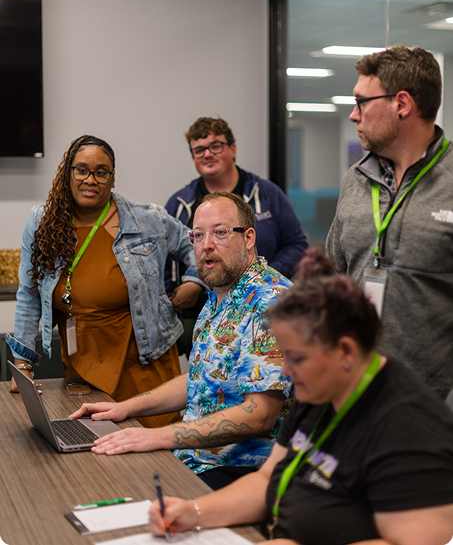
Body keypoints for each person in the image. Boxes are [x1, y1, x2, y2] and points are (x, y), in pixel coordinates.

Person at [148, 251, 453, 545]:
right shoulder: (322, 389)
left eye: (295, 358)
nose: (286, 372)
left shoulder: (409, 425)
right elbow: (268, 480)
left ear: (345, 351)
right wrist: (195, 512)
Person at [71, 192, 293, 490]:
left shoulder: (271, 300)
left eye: (221, 232)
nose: (207, 245)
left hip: (244, 471)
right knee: (96, 479)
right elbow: (200, 378)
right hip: (195, 458)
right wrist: (127, 408)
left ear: (249, 237)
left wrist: (159, 435)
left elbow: (260, 416)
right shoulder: (219, 297)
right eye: (198, 235)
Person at [6, 135, 204, 427]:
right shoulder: (42, 222)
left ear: (112, 179)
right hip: (80, 359)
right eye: (82, 169)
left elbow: (199, 244)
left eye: (101, 172)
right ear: (67, 173)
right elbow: (29, 294)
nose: (91, 179)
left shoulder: (147, 219)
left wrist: (194, 281)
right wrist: (22, 362)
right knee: (95, 450)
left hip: (145, 361)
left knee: (156, 461)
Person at [326, 44, 453, 399]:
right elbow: (335, 277)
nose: (353, 115)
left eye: (362, 102)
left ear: (401, 104)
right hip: (353, 390)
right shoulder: (355, 178)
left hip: (429, 404)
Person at [165, 116, 308, 356]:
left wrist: (256, 279)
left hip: (260, 310)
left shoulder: (267, 194)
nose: (207, 154)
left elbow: (296, 245)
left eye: (215, 146)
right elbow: (166, 261)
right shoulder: (180, 204)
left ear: (233, 149)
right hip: (204, 313)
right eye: (198, 150)